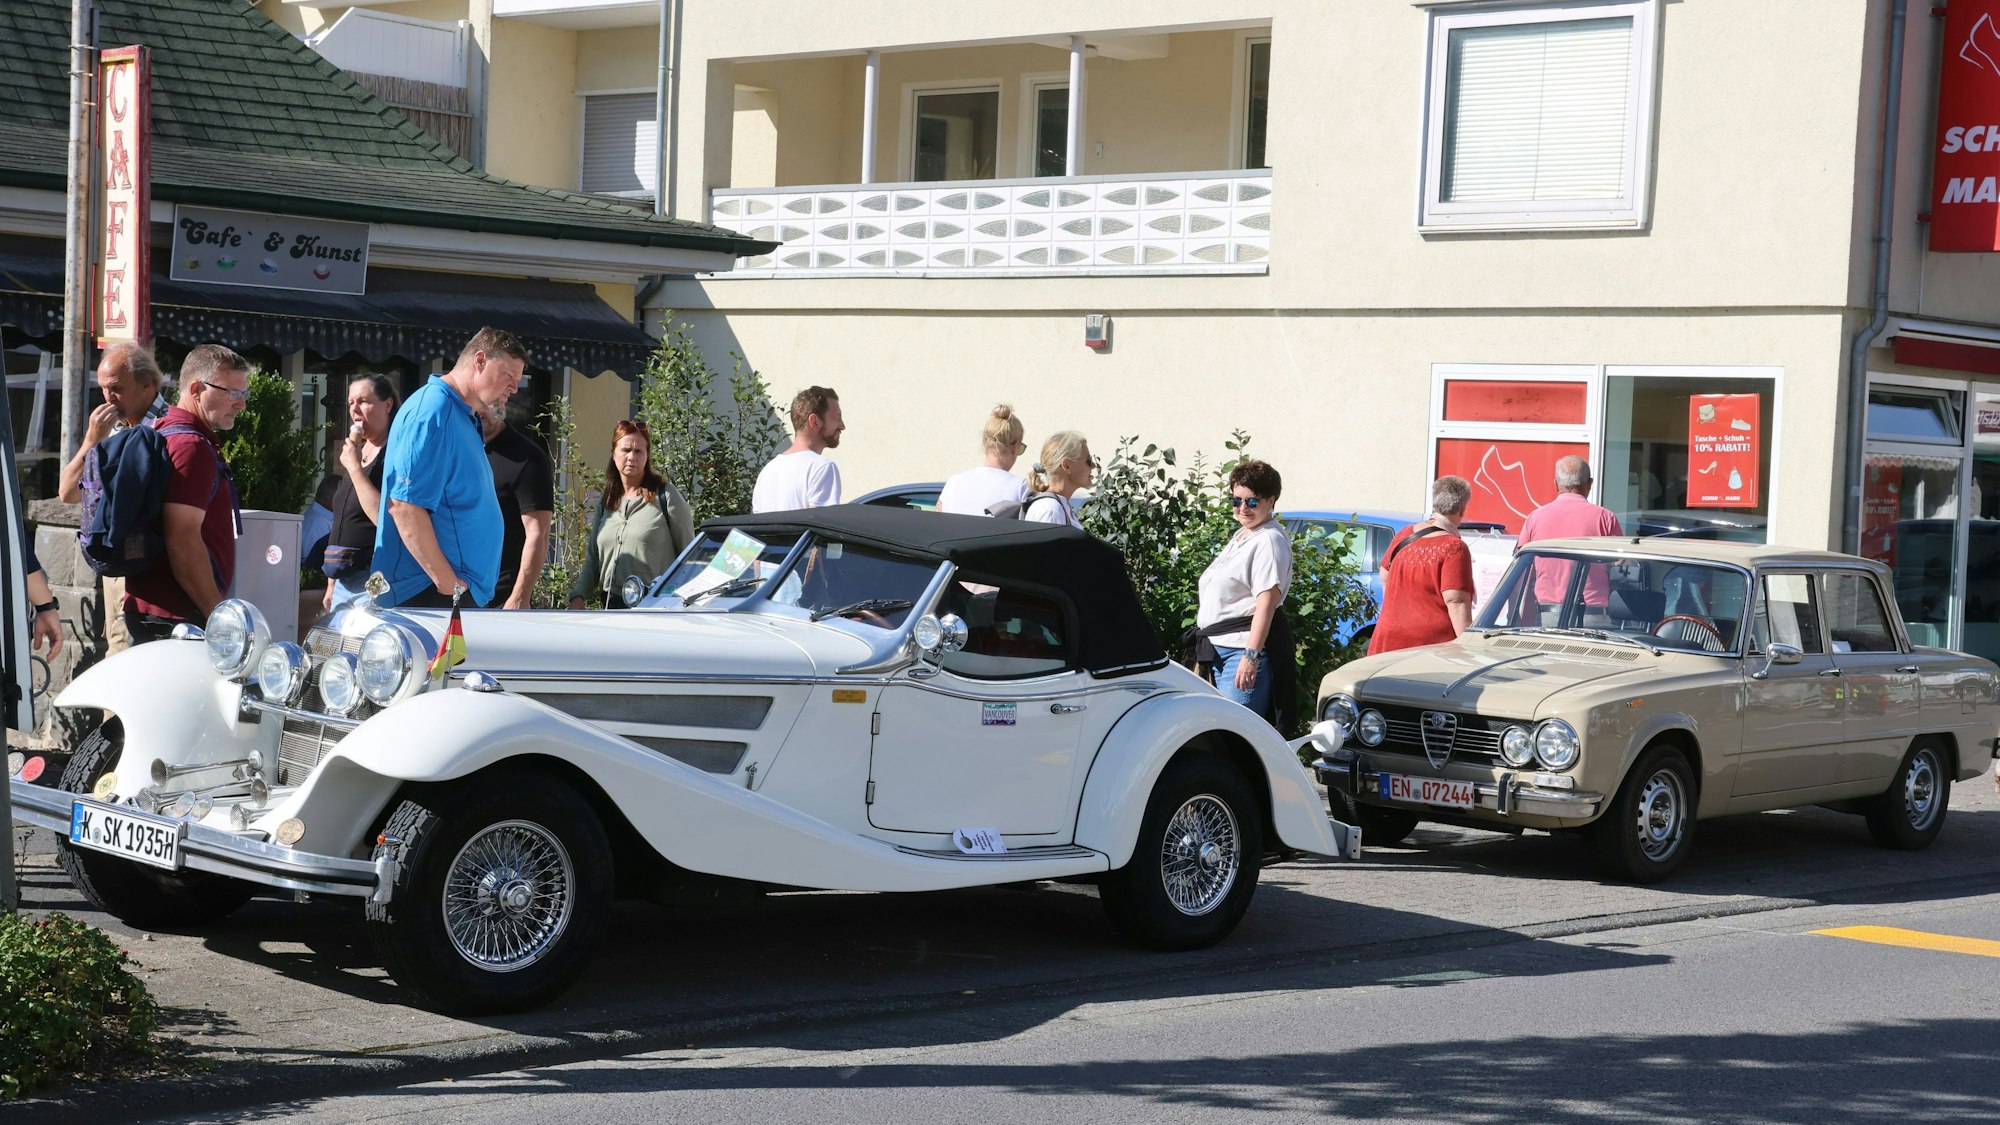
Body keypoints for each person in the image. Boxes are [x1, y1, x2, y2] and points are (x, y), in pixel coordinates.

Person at [373, 327, 526, 609]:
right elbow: (404, 505)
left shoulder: (462, 415)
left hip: (447, 592)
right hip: (427, 592)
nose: (514, 388)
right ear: (480, 360)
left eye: (518, 380)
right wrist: (446, 581)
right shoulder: (433, 410)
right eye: (508, 376)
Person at [123, 345, 250, 643]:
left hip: (162, 612)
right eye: (233, 393)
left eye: (243, 395)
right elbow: (183, 539)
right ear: (196, 389)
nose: (241, 405)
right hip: (180, 617)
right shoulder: (191, 446)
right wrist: (217, 616)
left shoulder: (165, 431)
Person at [1192, 460, 1294, 727]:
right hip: (1217, 648)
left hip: (1241, 652)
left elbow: (1266, 606)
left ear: (1271, 501)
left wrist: (1251, 658)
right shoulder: (1244, 534)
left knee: (1234, 734)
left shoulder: (1269, 540)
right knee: (1217, 731)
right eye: (1236, 501)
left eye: (1252, 502)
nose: (1242, 508)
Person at [569, 420, 694, 610]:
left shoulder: (666, 496)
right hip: (611, 606)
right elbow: (593, 559)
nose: (631, 457)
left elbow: (689, 559)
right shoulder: (607, 500)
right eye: (625, 450)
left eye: (638, 452)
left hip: (655, 608)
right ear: (613, 453)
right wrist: (578, 596)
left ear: (647, 456)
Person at [1369, 476, 1478, 655]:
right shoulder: (1454, 547)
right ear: (1461, 509)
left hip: (1388, 640)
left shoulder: (1404, 534)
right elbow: (1456, 601)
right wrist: (1468, 648)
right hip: (1428, 647)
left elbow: (1384, 574)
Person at [319, 375, 398, 612]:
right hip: (344, 577)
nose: (355, 408)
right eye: (350, 402)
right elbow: (341, 518)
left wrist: (354, 468)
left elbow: (384, 518)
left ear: (388, 404)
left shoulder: (394, 453)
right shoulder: (359, 450)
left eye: (363, 401)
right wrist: (332, 583)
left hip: (373, 576)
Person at [56, 342, 166, 503]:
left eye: (116, 388)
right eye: (103, 388)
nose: (108, 397)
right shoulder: (110, 429)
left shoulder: (171, 426)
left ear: (146, 385)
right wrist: (92, 441)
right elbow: (68, 493)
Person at [1515, 455, 1623, 618]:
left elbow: (1522, 571)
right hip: (1594, 614)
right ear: (1589, 484)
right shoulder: (1605, 518)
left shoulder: (1535, 518)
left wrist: (1518, 614)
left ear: (1556, 484)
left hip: (1546, 614)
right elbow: (1620, 567)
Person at [483, 408, 556, 609]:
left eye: (487, 404)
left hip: (502, 599)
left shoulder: (528, 458)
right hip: (458, 593)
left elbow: (539, 534)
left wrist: (520, 597)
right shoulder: (460, 450)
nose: (479, 412)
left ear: (503, 401)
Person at [752, 386, 843, 512]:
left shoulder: (767, 473)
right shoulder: (822, 467)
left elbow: (758, 528)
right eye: (837, 418)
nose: (842, 426)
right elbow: (823, 527)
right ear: (815, 421)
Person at [937, 405, 1029, 516]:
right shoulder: (1021, 487)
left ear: (985, 441)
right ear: (1015, 447)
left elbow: (938, 522)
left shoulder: (953, 483)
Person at [1025, 431, 1096, 528]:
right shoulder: (1049, 509)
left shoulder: (1058, 506)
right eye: (1088, 460)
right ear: (1067, 466)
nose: (1093, 466)